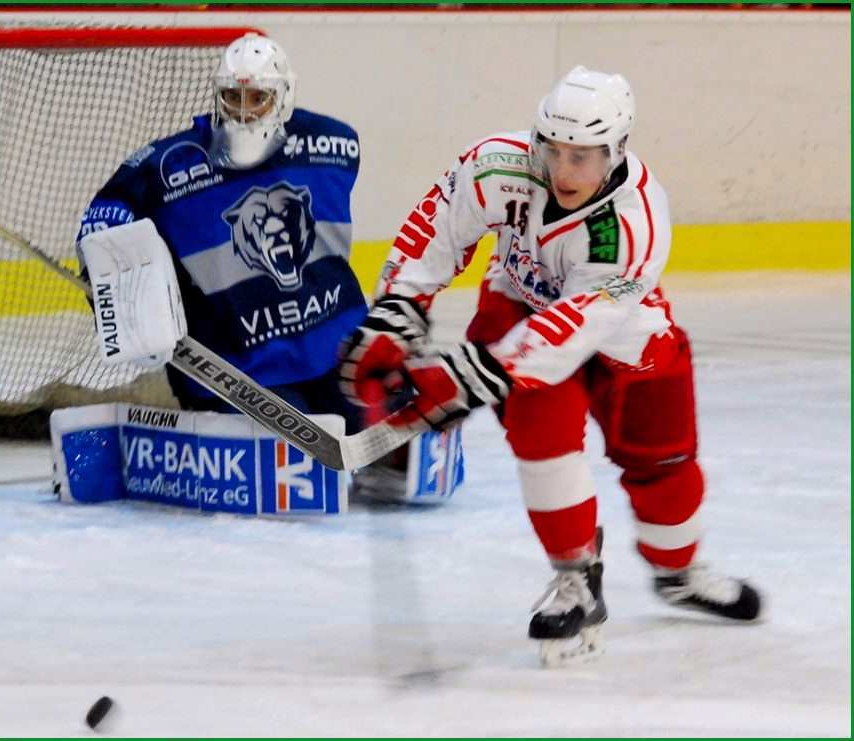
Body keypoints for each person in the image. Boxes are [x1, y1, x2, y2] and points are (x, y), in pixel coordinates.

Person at [339, 66, 762, 665]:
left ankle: (679, 573)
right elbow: (435, 232)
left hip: (626, 339)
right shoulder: (496, 165)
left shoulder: (636, 221)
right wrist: (398, 309)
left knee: (665, 470)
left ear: (616, 151)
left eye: (582, 156)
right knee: (543, 444)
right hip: (518, 309)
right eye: (553, 149)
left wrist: (465, 375)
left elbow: (573, 327)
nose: (563, 170)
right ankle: (576, 578)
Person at [75, 33, 367, 432]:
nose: (244, 112)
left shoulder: (334, 144)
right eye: (233, 97)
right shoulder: (171, 165)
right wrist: (120, 287)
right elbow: (104, 215)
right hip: (235, 367)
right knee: (294, 450)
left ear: (282, 96)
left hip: (334, 347)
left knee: (394, 427)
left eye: (257, 98)